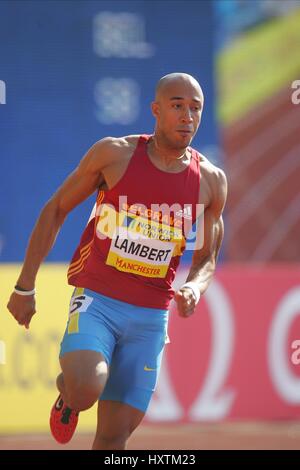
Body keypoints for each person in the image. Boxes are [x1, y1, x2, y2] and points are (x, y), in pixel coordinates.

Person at [7, 73, 227, 450]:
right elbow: (56, 208)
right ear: (156, 110)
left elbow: (207, 257)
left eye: (195, 108)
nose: (187, 116)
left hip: (150, 318)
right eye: (177, 106)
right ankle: (67, 395)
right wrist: (25, 285)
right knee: (85, 387)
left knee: (113, 436)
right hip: (99, 302)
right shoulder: (116, 155)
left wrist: (195, 286)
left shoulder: (211, 181)